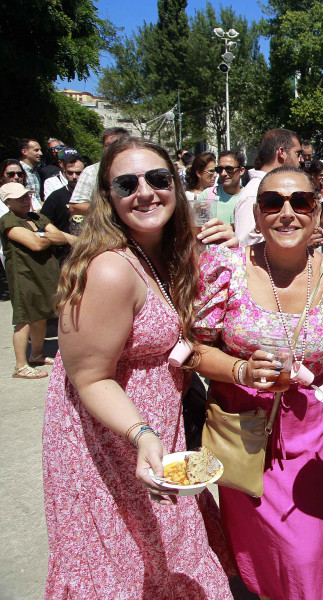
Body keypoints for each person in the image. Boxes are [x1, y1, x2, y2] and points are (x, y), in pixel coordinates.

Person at [42, 137, 235, 598]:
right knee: (128, 568)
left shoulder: (170, 252)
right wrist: (143, 434)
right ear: (108, 197)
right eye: (126, 183)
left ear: (177, 185)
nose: (145, 192)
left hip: (150, 434)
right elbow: (89, 376)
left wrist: (233, 248)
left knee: (164, 561)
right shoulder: (109, 269)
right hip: (108, 443)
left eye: (158, 179)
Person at [191, 166, 323, 600]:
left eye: (300, 202)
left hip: (305, 440)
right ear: (257, 211)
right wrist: (241, 370)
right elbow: (192, 348)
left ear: (317, 210)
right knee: (255, 546)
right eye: (273, 203)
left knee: (304, 554)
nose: (286, 213)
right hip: (241, 433)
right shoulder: (225, 269)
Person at [0, 182, 68, 378]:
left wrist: (41, 235)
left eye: (26, 196)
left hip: (45, 274)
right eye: (19, 198)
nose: (25, 200)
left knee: (41, 316)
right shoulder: (8, 220)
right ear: (8, 202)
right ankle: (20, 366)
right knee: (24, 319)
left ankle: (37, 354)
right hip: (24, 275)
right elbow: (35, 245)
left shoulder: (37, 217)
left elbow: (59, 237)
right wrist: (45, 237)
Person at [233, 128, 303, 247]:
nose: (301, 160)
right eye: (297, 153)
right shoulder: (253, 193)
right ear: (282, 152)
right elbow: (244, 247)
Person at [69, 127, 130, 215]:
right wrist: (110, 211)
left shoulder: (139, 169)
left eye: (116, 144)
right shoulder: (91, 172)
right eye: (107, 145)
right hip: (101, 226)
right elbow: (75, 207)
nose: (110, 149)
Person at [212, 150, 245, 226]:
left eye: (229, 169)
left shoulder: (249, 197)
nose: (223, 173)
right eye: (219, 169)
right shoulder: (208, 195)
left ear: (241, 170)